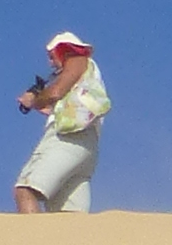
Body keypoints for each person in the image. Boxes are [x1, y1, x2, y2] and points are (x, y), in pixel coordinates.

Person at [14, 32, 110, 213]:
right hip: (86, 146)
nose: (50, 63)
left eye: (52, 57)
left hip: (68, 139)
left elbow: (56, 92)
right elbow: (67, 103)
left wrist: (33, 100)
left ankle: (31, 241)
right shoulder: (87, 74)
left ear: (64, 50)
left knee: (26, 190)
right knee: (67, 215)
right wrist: (44, 104)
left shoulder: (77, 59)